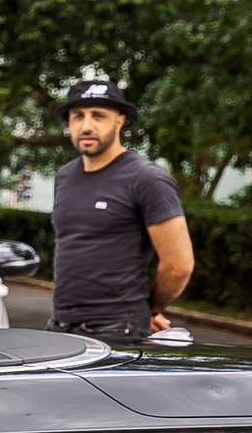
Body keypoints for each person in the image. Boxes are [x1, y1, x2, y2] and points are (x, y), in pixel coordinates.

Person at [48, 78, 193, 343]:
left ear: (119, 121)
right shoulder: (65, 176)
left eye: (98, 116)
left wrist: (149, 309)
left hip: (118, 330)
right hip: (61, 327)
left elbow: (179, 266)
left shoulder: (146, 178)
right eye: (78, 116)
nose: (86, 126)